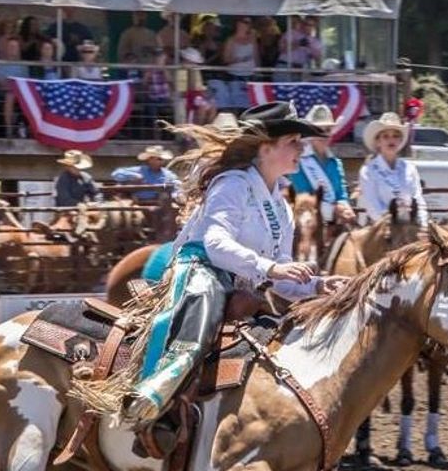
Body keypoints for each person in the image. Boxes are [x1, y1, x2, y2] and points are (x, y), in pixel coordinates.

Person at [118, 101, 347, 439]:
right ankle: (152, 403)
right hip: (200, 269)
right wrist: (271, 268)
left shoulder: (282, 208)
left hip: (241, 282)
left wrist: (317, 286)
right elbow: (215, 242)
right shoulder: (233, 184)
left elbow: (280, 275)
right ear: (266, 148)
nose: (301, 148)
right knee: (202, 313)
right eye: (293, 142)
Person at [358, 111, 428, 229]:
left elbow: (418, 198)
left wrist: (423, 223)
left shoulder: (409, 169)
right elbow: (373, 207)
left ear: (400, 141)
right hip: (381, 229)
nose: (391, 140)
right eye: (386, 136)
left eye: (395, 136)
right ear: (378, 142)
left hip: (410, 227)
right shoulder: (368, 171)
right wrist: (392, 225)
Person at [288, 104, 355, 225]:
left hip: (336, 222)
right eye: (318, 130)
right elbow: (304, 197)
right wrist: (334, 210)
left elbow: (341, 194)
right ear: (310, 133)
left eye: (327, 130)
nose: (323, 134)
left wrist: (345, 208)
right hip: (308, 223)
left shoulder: (336, 163)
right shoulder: (299, 161)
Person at [111, 145, 180, 201]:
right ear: (149, 160)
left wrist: (175, 194)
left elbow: (177, 184)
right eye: (159, 159)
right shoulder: (139, 170)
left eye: (161, 159)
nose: (161, 161)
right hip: (138, 203)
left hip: (160, 205)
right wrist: (133, 176)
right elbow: (116, 174)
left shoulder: (168, 174)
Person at [0, 37, 30, 138]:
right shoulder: (0, 64)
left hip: (20, 92)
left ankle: (27, 130)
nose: (13, 49)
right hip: (4, 92)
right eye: (10, 47)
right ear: (6, 48)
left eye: (15, 47)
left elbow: (25, 80)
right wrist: (10, 85)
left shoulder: (24, 65)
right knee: (10, 96)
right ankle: (9, 129)